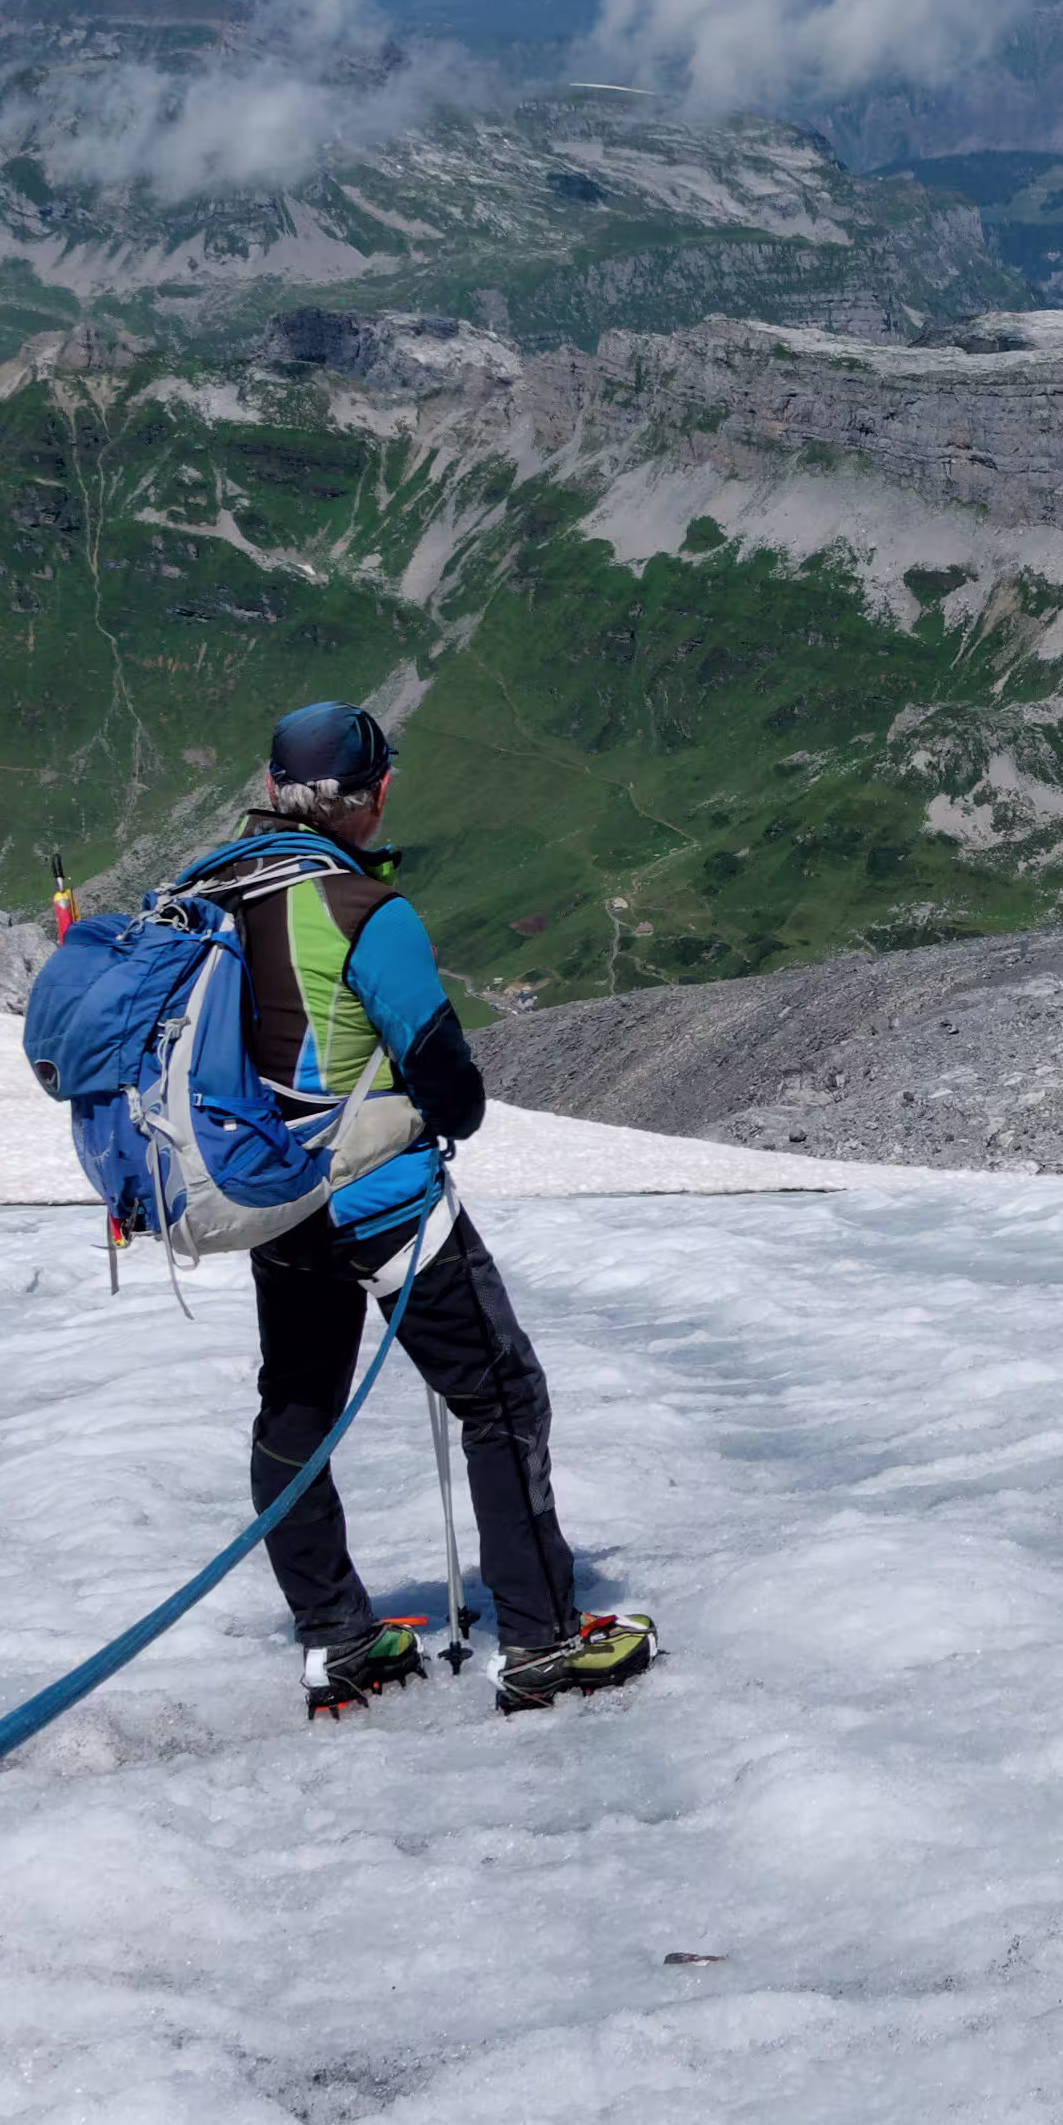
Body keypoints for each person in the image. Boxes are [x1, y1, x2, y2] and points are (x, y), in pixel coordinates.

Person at [169, 697, 654, 1720]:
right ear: (372, 795)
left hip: (269, 1208)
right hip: (383, 1205)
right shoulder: (362, 911)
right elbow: (452, 1085)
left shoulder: (210, 894)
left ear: (271, 790)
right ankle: (539, 1641)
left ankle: (337, 1642)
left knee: (295, 1410)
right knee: (502, 1398)